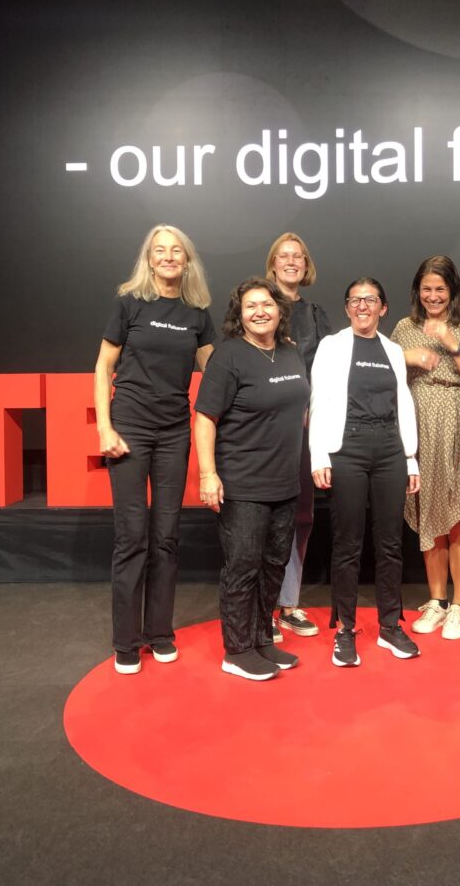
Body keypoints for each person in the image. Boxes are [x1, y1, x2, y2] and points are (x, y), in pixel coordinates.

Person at [94, 224, 215, 675]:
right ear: (149, 259)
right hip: (129, 428)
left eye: (176, 251)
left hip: (173, 432)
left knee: (166, 536)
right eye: (160, 251)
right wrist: (105, 427)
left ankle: (160, 634)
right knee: (132, 537)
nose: (168, 257)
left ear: (186, 261)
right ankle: (127, 641)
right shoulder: (129, 304)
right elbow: (103, 366)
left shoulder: (197, 313)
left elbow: (216, 369)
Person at [194, 277, 309, 681]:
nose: (260, 311)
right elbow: (206, 417)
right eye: (250, 306)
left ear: (280, 309)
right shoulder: (229, 357)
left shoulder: (291, 354)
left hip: (285, 482)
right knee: (242, 567)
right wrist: (208, 474)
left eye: (266, 304)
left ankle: (262, 638)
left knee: (274, 565)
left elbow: (300, 411)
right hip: (243, 484)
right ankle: (237, 649)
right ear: (238, 315)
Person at [310, 278, 420, 667]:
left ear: (382, 308)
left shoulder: (392, 349)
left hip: (390, 448)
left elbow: (403, 402)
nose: (362, 306)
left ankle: (391, 626)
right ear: (346, 307)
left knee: (390, 543)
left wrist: (410, 458)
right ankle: (345, 630)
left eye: (370, 300)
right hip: (347, 449)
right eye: (355, 300)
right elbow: (318, 399)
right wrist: (318, 455)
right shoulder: (332, 346)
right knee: (347, 544)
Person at [391, 256, 460, 640]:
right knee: (429, 511)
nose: (433, 296)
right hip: (418, 424)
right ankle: (437, 601)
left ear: (452, 290)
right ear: (417, 291)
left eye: (440, 289)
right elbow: (389, 374)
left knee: (459, 511)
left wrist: (451, 343)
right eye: (426, 289)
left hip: (459, 419)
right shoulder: (403, 327)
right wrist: (404, 356)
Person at [265, 232, 332, 640]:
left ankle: (288, 604)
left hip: (306, 430)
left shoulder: (317, 315)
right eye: (284, 256)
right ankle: (263, 605)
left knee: (301, 516)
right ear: (272, 263)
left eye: (298, 256)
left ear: (305, 266)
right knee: (264, 515)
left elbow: (326, 371)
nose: (292, 262)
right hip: (265, 429)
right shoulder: (256, 305)